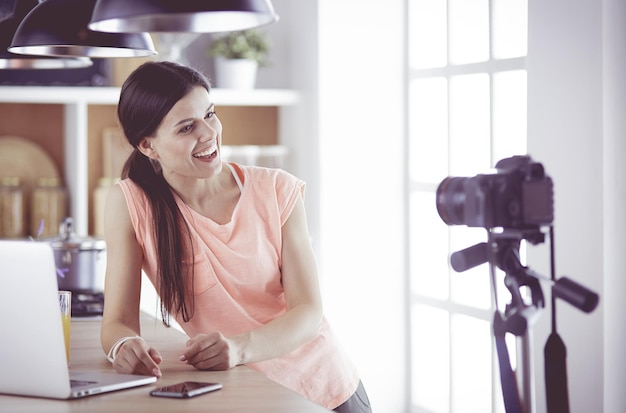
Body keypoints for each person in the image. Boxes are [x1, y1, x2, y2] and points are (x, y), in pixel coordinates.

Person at [100, 61, 371, 413]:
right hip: (245, 396)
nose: (208, 133)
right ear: (148, 146)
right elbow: (117, 321)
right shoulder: (131, 203)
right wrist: (123, 346)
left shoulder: (277, 190)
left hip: (324, 393)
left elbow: (308, 312)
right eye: (186, 128)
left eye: (210, 115)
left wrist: (240, 348)